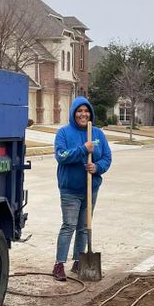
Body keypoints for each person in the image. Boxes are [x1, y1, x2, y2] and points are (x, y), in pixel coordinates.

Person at [52, 97, 112, 281]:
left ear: (90, 113)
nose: (83, 114)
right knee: (69, 225)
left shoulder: (97, 134)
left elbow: (107, 158)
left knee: (84, 227)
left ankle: (79, 261)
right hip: (70, 189)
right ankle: (59, 264)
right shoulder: (63, 133)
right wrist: (83, 149)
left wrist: (97, 167)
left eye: (86, 111)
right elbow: (61, 156)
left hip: (91, 188)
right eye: (79, 111)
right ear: (73, 113)